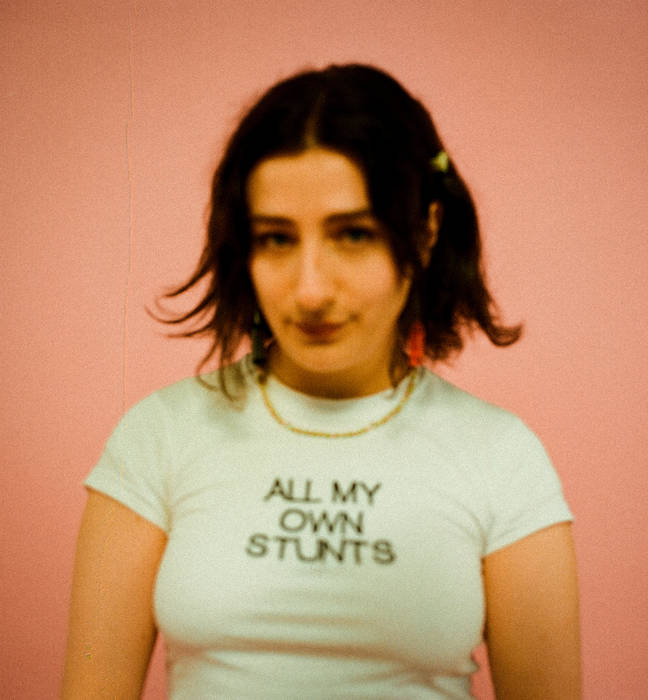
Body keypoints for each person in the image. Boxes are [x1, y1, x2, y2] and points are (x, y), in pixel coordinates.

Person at [62, 64, 581, 699]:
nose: (309, 289)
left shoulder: (500, 456)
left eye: (353, 234)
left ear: (426, 229)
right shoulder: (160, 436)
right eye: (276, 239)